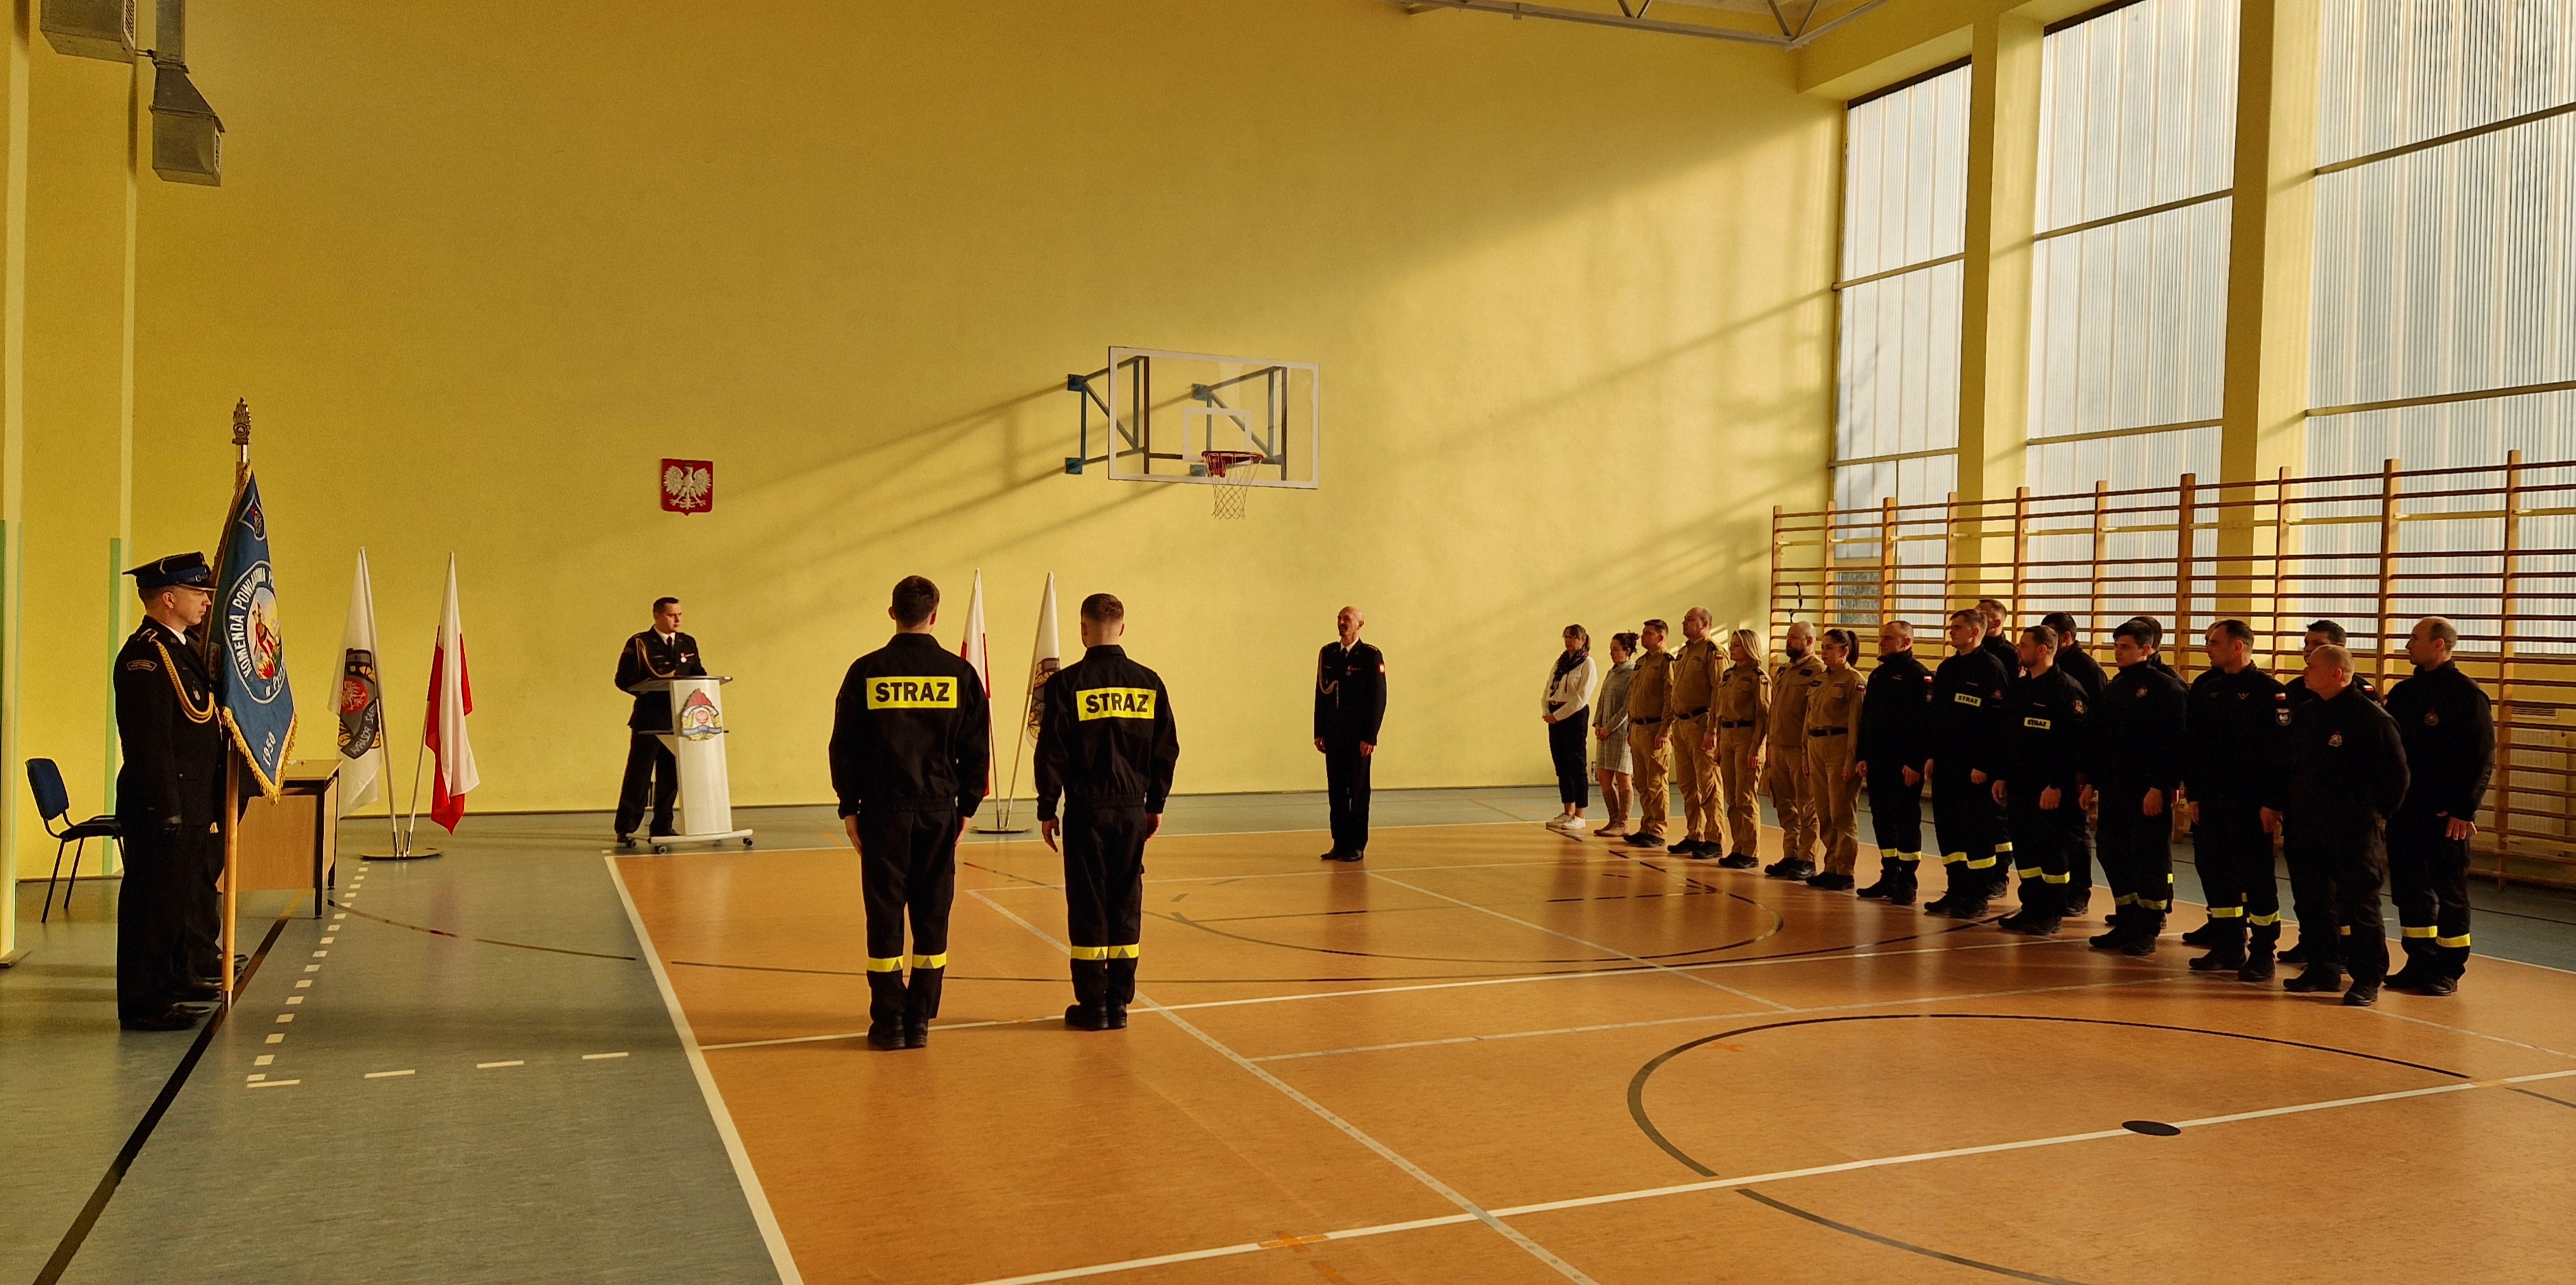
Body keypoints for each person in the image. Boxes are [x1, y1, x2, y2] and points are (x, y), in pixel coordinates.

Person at [827, 576, 991, 1050]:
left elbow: (844, 746)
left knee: (884, 914)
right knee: (932, 913)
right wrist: (966, 807)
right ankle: (919, 1019)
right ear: (934, 616)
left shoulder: (866, 671)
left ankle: (888, 1022)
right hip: (939, 812)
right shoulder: (960, 674)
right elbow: (977, 749)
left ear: (892, 612)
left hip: (883, 812)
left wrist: (849, 806)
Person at [1038, 592, 1180, 1031]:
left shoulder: (1066, 684)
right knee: (1125, 902)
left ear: (1083, 630)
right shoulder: (1148, 682)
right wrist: (1154, 804)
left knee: (1088, 903)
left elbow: (1053, 752)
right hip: (1131, 810)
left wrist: (1047, 806)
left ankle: (1093, 1003)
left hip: (1087, 811)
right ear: (1122, 628)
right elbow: (1166, 750)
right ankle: (1118, 1002)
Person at [112, 553, 228, 1031]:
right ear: (168, 598)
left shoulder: (181, 648)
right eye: (197, 592)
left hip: (191, 801)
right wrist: (167, 808)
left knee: (178, 902)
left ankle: (176, 980)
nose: (206, 601)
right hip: (163, 804)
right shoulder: (144, 657)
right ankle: (145, 1002)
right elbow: (150, 742)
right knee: (152, 907)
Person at [2268, 644, 2408, 1006]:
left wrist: (2375, 815)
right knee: (2313, 902)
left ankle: (2367, 976)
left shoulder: (2372, 718)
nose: (2305, 672)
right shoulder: (2308, 713)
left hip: (2353, 831)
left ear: (2336, 673)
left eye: (2311, 666)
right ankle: (2322, 967)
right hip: (2307, 827)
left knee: (2359, 907)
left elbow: (2397, 777)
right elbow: (2290, 765)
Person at [2382, 617, 2494, 995]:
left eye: (2415, 638)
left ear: (2439, 645)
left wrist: (2465, 809)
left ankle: (2448, 968)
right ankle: (2419, 961)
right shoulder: (2404, 693)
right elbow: (2391, 754)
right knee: (2409, 891)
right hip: (2406, 811)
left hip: (2447, 816)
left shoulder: (2466, 694)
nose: (2407, 644)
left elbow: (2482, 757)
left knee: (2450, 892)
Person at [2182, 620, 2291, 979]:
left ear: (2238, 646)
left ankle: (2262, 952)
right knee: (2216, 874)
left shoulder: (2270, 692)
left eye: (2214, 642)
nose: (2207, 648)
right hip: (2212, 801)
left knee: (2257, 880)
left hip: (2251, 804)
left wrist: (2273, 802)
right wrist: (2194, 793)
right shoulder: (2206, 686)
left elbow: (2281, 755)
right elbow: (2193, 745)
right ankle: (2228, 946)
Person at [2277, 619, 2379, 968]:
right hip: (2305, 813)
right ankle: (2314, 944)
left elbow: (2388, 769)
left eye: (2317, 644)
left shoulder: (2364, 698)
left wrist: (2373, 812)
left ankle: (2348, 952)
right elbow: (2288, 752)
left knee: (2349, 893)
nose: (2308, 651)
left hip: (2347, 817)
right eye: (2306, 644)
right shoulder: (2296, 691)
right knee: (2308, 888)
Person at [2081, 619, 2186, 953]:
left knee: (2149, 859)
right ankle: (2126, 921)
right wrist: (2092, 783)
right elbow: (2100, 741)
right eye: (2116, 646)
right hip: (2115, 788)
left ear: (2147, 649)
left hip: (2147, 791)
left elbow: (2174, 745)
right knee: (2113, 853)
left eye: (2125, 647)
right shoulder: (2115, 687)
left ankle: (2148, 928)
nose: (2118, 653)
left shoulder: (2166, 688)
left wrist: (2160, 786)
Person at [1986, 625, 2088, 937]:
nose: (2018, 650)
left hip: (2049, 788)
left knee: (2051, 851)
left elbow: (2074, 744)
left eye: (2024, 645)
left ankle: (2051, 912)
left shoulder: (2066, 689)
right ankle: (2031, 906)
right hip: (2020, 784)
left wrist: (2056, 785)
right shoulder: (2019, 688)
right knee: (2026, 849)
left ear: (2043, 650)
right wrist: (2001, 775)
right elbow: (2006, 737)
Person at [1924, 609, 2011, 918]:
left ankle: (1977, 895)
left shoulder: (1992, 668)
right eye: (1951, 627)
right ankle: (1956, 889)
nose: (1952, 631)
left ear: (1975, 632)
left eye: (1958, 627)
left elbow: (1997, 724)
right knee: (1949, 830)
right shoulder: (1947, 668)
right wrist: (1932, 755)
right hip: (1947, 763)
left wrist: (1985, 764)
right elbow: (1937, 717)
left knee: (1977, 832)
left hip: (1975, 768)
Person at [613, 597, 706, 844]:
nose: (677, 619)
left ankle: (663, 825)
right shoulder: (640, 643)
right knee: (639, 775)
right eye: (671, 615)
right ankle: (627, 826)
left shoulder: (687, 642)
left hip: (679, 719)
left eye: (680, 614)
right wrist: (648, 689)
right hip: (650, 719)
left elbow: (699, 674)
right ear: (656, 616)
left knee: (670, 776)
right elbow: (623, 680)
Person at [1854, 619, 1933, 905]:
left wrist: (1915, 763)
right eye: (1882, 637)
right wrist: (1862, 756)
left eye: (1888, 638)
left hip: (1904, 766)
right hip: (1879, 762)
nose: (1882, 642)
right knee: (1882, 819)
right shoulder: (1878, 675)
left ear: (1906, 642)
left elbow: (1924, 726)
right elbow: (1868, 720)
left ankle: (1907, 881)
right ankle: (1889, 874)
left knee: (1906, 821)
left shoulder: (1919, 676)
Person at [2041, 611, 2104, 916]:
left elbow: (2092, 726)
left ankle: (2079, 892)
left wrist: (2086, 772)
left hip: (2076, 766)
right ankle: (2051, 892)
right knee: (2049, 835)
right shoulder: (2046, 667)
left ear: (2065, 637)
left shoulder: (2087, 670)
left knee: (2075, 833)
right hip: (2046, 764)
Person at [1313, 606, 1386, 862]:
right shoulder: (1328, 653)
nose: (1341, 622)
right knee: (1336, 792)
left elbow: (1378, 699)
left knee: (1358, 792)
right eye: (1339, 619)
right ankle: (1340, 842)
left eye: (1347, 619)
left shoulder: (1370, 656)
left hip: (1358, 739)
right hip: (1334, 735)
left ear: (1360, 625)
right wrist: (1319, 731)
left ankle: (1356, 845)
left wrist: (1370, 736)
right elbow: (1321, 694)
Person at [1802, 628, 1866, 890]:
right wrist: (1805, 754)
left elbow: (1856, 724)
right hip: (1816, 745)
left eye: (1830, 648)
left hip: (1839, 747)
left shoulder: (1854, 681)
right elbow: (1808, 719)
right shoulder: (1819, 679)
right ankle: (1830, 866)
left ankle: (1844, 870)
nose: (1824, 652)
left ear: (1845, 651)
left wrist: (1851, 760)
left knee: (1842, 811)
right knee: (1824, 811)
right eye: (1823, 647)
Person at [1761, 623, 1822, 877]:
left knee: (1806, 806)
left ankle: (1807, 859)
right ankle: (1791, 854)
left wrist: (1809, 751)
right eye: (1788, 637)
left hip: (1800, 748)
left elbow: (1814, 713)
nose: (1788, 641)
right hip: (1779, 745)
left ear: (1809, 641)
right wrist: (1769, 744)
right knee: (1784, 804)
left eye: (1794, 637)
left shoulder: (1818, 670)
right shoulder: (1784, 671)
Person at [1667, 608, 1725, 856]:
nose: (1684, 623)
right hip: (1681, 723)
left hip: (1701, 722)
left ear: (1705, 624)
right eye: (1684, 619)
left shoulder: (1713, 651)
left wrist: (1713, 729)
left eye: (1690, 619)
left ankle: (1714, 837)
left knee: (1708, 783)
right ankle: (1695, 833)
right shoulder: (1684, 652)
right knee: (1687, 784)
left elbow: (1719, 691)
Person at [1713, 628, 1769, 867]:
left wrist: (1756, 748)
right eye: (1732, 644)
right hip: (1727, 735)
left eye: (1737, 645)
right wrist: (1717, 741)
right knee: (1732, 797)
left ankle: (1750, 851)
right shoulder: (1728, 675)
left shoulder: (1758, 677)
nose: (1732, 648)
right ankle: (1738, 846)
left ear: (1749, 648)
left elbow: (1763, 716)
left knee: (1746, 796)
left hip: (1747, 736)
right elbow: (1719, 710)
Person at [1622, 620, 1676, 850]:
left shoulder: (1667, 662)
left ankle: (1658, 829)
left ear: (1661, 638)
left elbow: (1670, 698)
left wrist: (1665, 730)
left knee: (1656, 782)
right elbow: (1634, 697)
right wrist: (1630, 727)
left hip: (1655, 728)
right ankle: (1646, 826)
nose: (1643, 637)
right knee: (1642, 783)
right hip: (1638, 727)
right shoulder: (1642, 662)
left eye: (1648, 634)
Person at [1543, 625, 1597, 831]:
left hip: (1573, 717)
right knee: (1562, 764)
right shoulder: (1561, 662)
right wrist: (1546, 709)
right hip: (1555, 717)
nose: (1569, 640)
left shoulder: (1587, 663)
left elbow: (1581, 698)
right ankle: (1568, 811)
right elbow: (1549, 687)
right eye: (1566, 636)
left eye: (1573, 637)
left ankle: (1580, 815)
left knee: (1576, 765)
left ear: (1583, 640)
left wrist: (1558, 715)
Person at [1593, 633, 1639, 838]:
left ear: (1627, 651)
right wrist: (1598, 723)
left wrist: (1610, 727)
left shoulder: (1633, 673)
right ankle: (1613, 819)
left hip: (1621, 733)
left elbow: (1627, 707)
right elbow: (1602, 700)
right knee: (1604, 776)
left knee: (1623, 777)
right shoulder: (1612, 672)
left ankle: (1623, 822)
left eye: (1616, 649)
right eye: (1611, 649)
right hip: (1605, 732)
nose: (1612, 653)